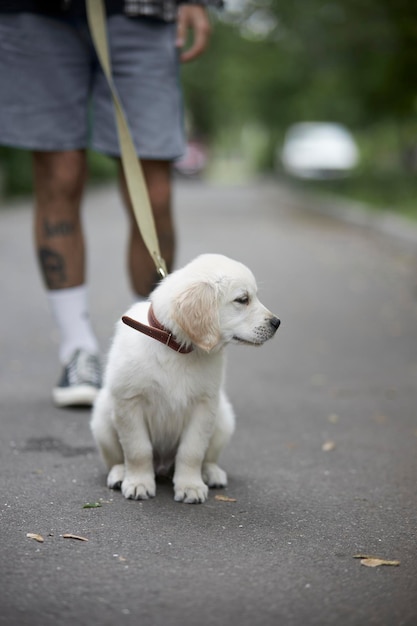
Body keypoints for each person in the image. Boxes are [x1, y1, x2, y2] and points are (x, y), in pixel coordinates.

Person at [0, 0, 220, 408]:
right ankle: (78, 350)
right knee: (58, 175)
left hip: (144, 11)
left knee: (153, 192)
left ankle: (157, 338)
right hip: (32, 12)